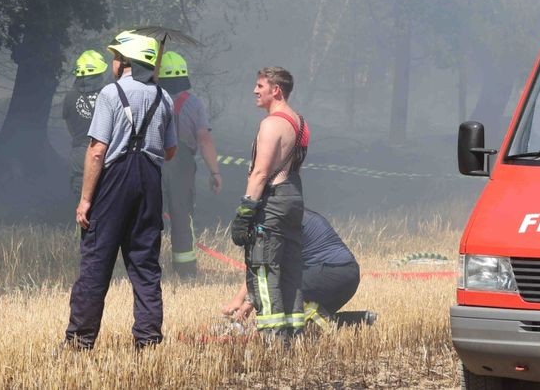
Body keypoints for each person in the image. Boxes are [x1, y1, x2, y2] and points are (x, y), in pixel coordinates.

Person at [65, 31, 177, 350]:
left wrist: (85, 200)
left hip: (114, 181)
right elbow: (170, 152)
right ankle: (149, 341)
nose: (113, 62)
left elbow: (97, 150)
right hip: (150, 183)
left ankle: (80, 340)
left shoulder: (111, 94)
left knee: (96, 263)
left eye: (116, 57)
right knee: (145, 266)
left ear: (125, 62)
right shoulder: (164, 98)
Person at [230, 66, 308, 340]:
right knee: (289, 268)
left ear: (276, 90)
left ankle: (274, 338)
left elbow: (261, 172)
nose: (255, 90)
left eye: (259, 86)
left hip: (272, 199)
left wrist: (245, 211)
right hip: (293, 197)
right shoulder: (299, 122)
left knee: (264, 268)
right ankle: (294, 334)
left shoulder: (271, 124)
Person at [222, 208, 376, 329]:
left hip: (332, 271)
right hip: (346, 273)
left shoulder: (276, 224)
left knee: (276, 297)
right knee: (301, 324)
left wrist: (245, 307)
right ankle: (359, 320)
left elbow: (268, 273)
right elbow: (259, 267)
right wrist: (237, 300)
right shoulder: (284, 213)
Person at [158, 50, 222, 279]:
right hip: (181, 165)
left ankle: (146, 268)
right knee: (181, 215)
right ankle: (185, 272)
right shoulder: (193, 103)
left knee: (148, 215)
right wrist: (215, 172)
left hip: (152, 161)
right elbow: (204, 139)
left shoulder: (150, 97)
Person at [62, 50, 108, 194]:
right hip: (107, 152)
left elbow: (69, 125)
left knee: (81, 201)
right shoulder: (109, 94)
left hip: (80, 154)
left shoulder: (70, 97)